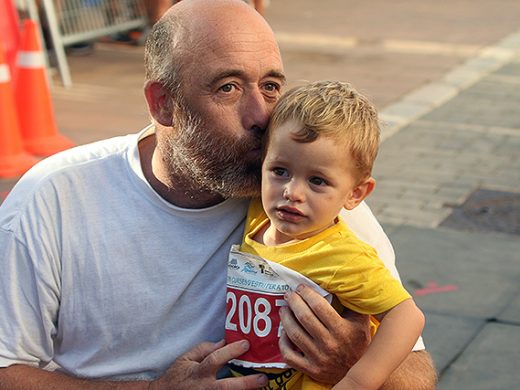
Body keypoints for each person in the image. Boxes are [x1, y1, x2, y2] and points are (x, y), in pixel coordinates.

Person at [0, 0, 436, 388]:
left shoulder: (308, 202)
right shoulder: (54, 198)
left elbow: (418, 374)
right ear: (162, 103)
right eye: (228, 87)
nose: (262, 116)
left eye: (271, 86)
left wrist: (352, 364)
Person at [227, 81, 424, 389]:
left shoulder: (342, 256)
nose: (292, 192)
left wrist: (358, 381)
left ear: (356, 193)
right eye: (280, 171)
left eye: (317, 181)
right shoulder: (259, 216)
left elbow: (407, 316)